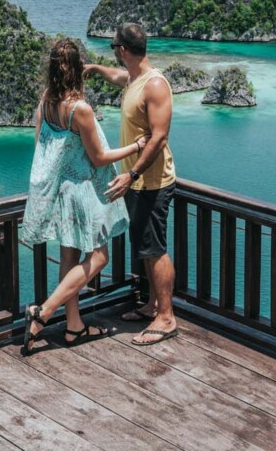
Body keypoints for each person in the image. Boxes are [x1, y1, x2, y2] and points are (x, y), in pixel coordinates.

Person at [20, 38, 147, 355]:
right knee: (100, 258)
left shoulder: (45, 105)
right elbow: (101, 157)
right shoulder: (81, 110)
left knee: (68, 259)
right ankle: (44, 312)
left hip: (62, 193)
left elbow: (44, 151)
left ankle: (74, 327)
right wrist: (136, 147)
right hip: (83, 194)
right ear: (77, 70)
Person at [84, 22, 178, 346]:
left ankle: (166, 317)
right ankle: (152, 305)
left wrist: (132, 174)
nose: (115, 55)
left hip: (151, 182)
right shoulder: (134, 79)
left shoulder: (154, 85)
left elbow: (159, 137)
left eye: (114, 50)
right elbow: (116, 76)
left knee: (155, 249)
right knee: (145, 248)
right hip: (137, 184)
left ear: (123, 50)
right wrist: (94, 68)